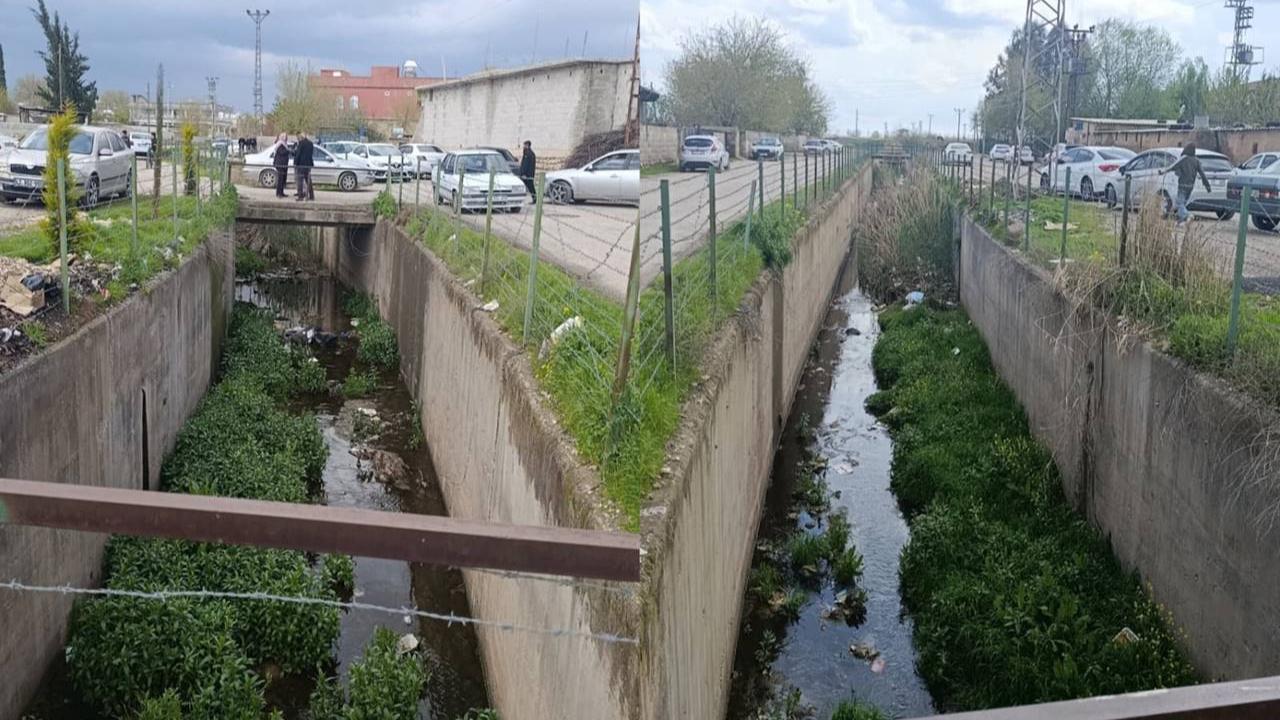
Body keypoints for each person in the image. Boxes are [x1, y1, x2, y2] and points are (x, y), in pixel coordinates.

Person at [1159, 143, 1212, 225]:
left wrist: (1162, 172)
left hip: (1182, 185)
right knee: (1183, 204)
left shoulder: (1183, 159)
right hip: (1190, 186)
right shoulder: (1197, 161)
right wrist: (1208, 186)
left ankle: (1187, 215)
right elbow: (1203, 174)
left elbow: (1173, 167)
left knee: (1179, 203)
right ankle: (1180, 221)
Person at [294, 132, 315, 201]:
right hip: (308, 164)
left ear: (301, 137)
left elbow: (298, 154)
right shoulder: (311, 143)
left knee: (300, 180)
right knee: (308, 180)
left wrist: (295, 163)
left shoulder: (301, 143)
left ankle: (300, 196)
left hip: (301, 164)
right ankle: (311, 196)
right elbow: (311, 154)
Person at [272, 133, 292, 198]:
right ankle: (278, 193)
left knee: (283, 179)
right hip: (280, 164)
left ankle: (281, 192)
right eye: (285, 137)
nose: (286, 138)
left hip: (284, 164)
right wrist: (288, 151)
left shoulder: (284, 144)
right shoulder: (280, 144)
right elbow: (281, 152)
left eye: (286, 136)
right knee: (280, 179)